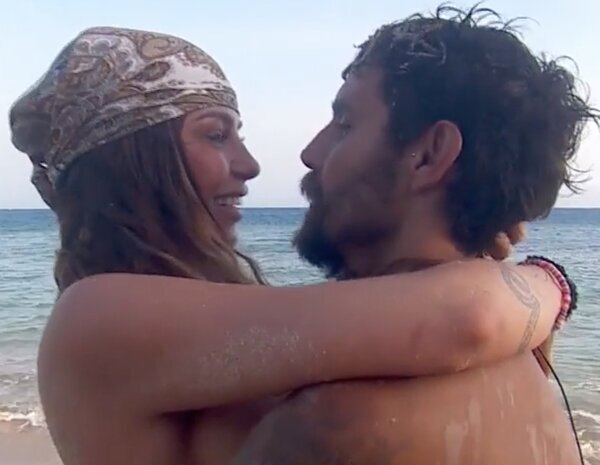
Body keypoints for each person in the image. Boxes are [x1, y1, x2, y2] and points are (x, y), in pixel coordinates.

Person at [9, 24, 573, 465]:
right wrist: (548, 281)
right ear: (135, 163)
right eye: (215, 134)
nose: (257, 164)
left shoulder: (303, 363)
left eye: (344, 124)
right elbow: (464, 316)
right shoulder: (100, 318)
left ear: (429, 155)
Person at [232, 6, 597, 465]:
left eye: (345, 125)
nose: (311, 153)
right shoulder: (527, 365)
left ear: (429, 155)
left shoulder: (333, 425)